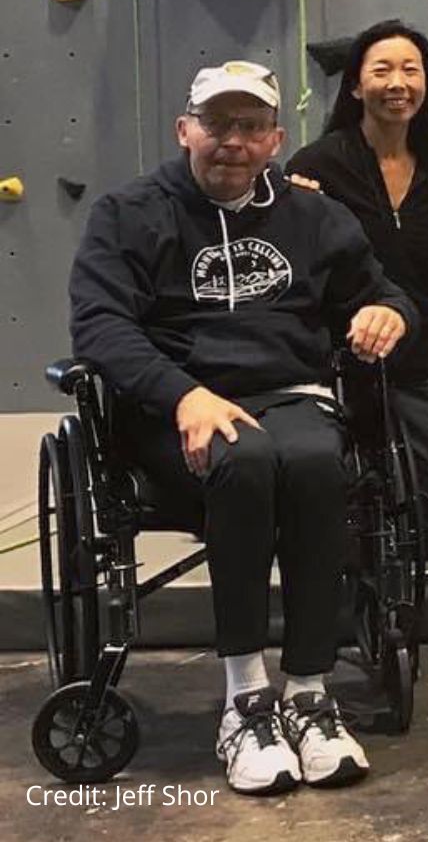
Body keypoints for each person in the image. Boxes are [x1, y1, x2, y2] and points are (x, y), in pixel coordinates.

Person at [70, 60, 410, 794]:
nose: (232, 141)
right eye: (216, 124)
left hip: (290, 394)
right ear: (183, 130)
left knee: (320, 464)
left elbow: (382, 293)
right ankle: (244, 700)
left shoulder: (315, 215)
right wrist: (181, 395)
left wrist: (387, 313)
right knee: (245, 459)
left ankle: (310, 693)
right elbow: (99, 327)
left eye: (250, 127)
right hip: (176, 406)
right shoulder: (128, 214)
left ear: (275, 138)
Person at [286, 19, 428, 562]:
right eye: (383, 69)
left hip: (418, 365)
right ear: (354, 86)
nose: (399, 82)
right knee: (349, 535)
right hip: (340, 364)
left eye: (411, 70)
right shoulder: (313, 167)